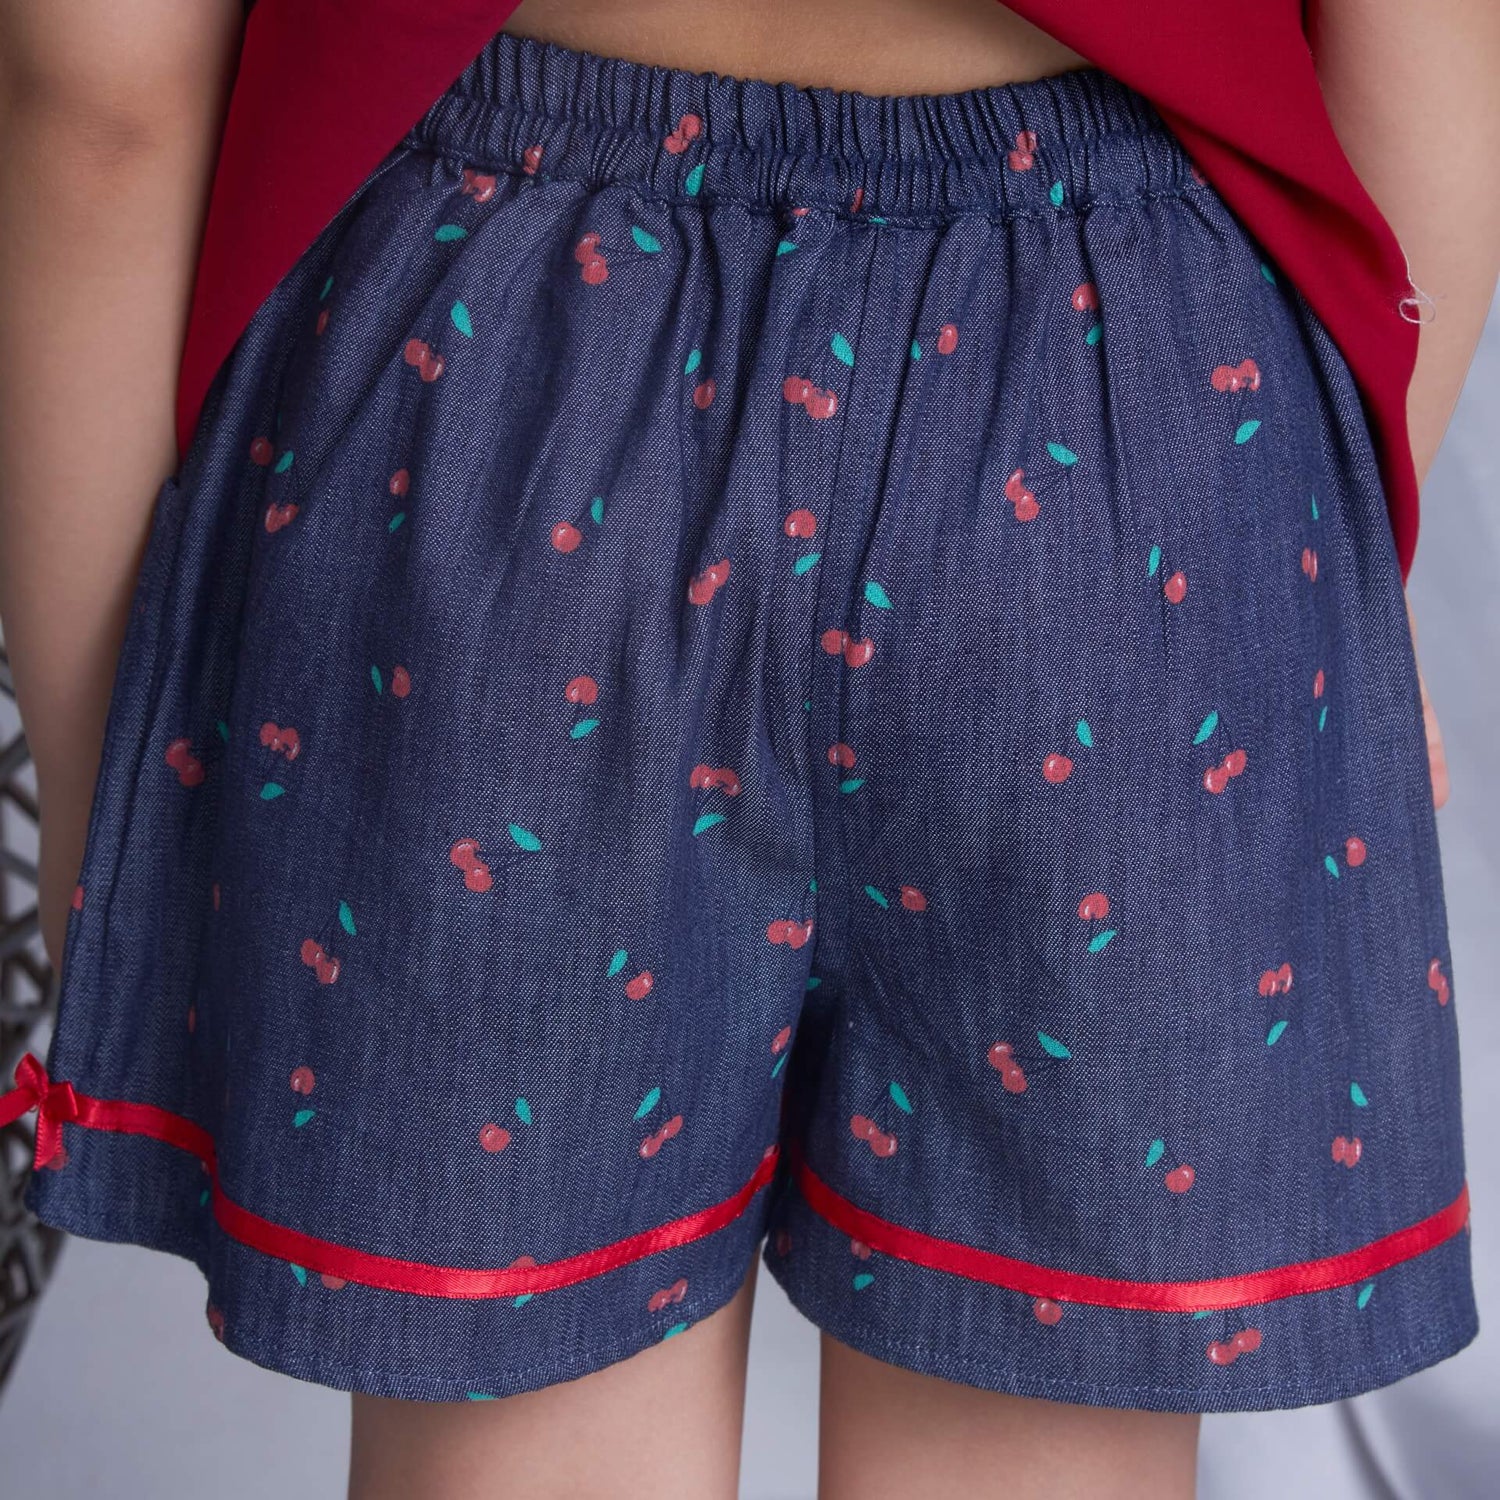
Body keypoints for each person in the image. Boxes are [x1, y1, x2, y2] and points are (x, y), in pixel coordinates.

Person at [0, 3, 1494, 1496]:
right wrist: (1342, 557)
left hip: (508, 396)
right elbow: (1435, 43)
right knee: (1038, 1453)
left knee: (531, 1448)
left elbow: (99, 85)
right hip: (1126, 429)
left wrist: (108, 834)